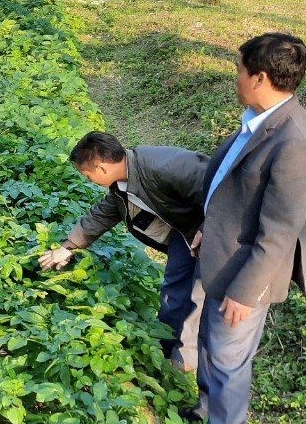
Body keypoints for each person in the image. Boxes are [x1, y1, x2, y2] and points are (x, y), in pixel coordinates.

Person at [192, 33, 306, 424]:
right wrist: (208, 229)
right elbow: (231, 186)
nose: (237, 78)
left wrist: (247, 292)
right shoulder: (259, 118)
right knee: (210, 347)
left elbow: (281, 230)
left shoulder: (295, 140)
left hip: (246, 270)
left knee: (229, 360)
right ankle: (204, 419)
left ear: (260, 76)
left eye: (240, 70)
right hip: (222, 252)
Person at [40, 132, 208, 371]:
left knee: (197, 295)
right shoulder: (122, 184)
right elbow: (102, 215)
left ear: (101, 168)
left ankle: (185, 360)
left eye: (88, 175)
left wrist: (208, 227)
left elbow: (221, 189)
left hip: (215, 229)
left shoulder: (164, 166)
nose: (89, 181)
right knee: (174, 288)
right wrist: (68, 247)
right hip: (186, 232)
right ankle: (164, 348)